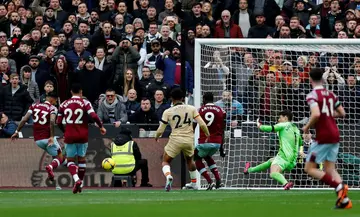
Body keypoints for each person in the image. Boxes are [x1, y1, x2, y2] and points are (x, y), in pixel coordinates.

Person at [302, 68, 352, 209]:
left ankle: (339, 187)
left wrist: (306, 127)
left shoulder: (312, 95)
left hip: (323, 136)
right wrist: (328, 115)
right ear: (323, 80)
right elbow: (342, 113)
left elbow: (316, 114)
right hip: (335, 134)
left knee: (309, 168)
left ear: (310, 79)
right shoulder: (331, 94)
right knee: (330, 168)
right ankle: (344, 201)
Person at [155, 88, 210, 191]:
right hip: (189, 139)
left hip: (175, 139)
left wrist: (157, 136)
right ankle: (194, 183)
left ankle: (168, 176)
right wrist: (207, 134)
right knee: (190, 160)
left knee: (166, 161)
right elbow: (202, 123)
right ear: (183, 98)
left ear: (171, 99)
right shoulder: (191, 109)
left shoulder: (168, 111)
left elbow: (161, 128)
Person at [57, 83, 106, 194]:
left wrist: (65, 131)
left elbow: (58, 121)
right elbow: (93, 116)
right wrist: (101, 127)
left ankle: (76, 180)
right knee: (82, 159)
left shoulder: (64, 104)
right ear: (81, 92)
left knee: (70, 161)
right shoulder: (85, 102)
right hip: (83, 135)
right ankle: (81, 183)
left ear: (71, 92)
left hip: (70, 135)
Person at [11, 92, 65, 182]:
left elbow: (24, 119)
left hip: (38, 141)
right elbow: (52, 121)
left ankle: (72, 170)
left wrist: (17, 131)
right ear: (52, 99)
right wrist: (51, 136)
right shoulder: (52, 108)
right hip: (48, 139)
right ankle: (51, 167)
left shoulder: (34, 106)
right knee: (60, 157)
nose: (56, 102)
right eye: (55, 100)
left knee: (60, 158)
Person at [244, 110, 302, 190]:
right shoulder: (296, 129)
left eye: (280, 118)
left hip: (284, 156)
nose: (278, 120)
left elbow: (270, 128)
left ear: (285, 118)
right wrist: (301, 151)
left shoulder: (284, 125)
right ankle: (249, 170)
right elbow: (301, 143)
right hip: (292, 161)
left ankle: (286, 183)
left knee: (273, 173)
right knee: (271, 161)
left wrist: (259, 126)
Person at [185, 92, 226, 190]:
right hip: (217, 142)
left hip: (205, 141)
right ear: (213, 99)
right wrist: (221, 147)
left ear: (204, 99)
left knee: (196, 158)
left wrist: (190, 139)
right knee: (207, 156)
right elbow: (223, 129)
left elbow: (193, 126)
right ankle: (218, 180)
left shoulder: (199, 110)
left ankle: (209, 181)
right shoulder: (222, 111)